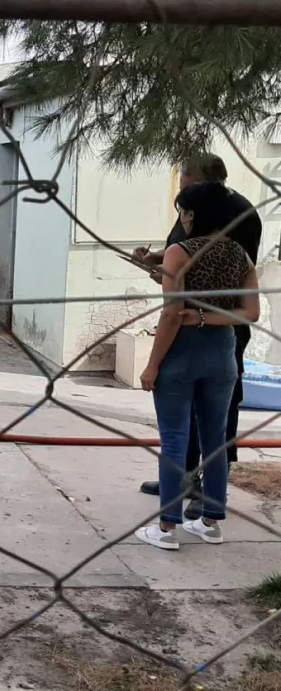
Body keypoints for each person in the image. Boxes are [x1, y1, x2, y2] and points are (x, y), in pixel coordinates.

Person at [134, 154, 262, 519]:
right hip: (221, 343)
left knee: (173, 433)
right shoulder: (239, 255)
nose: (183, 211)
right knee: (215, 436)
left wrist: (152, 364)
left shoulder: (189, 245)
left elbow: (174, 312)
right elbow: (251, 311)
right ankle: (211, 518)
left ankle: (169, 523)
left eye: (186, 198)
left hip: (185, 344)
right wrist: (159, 265)